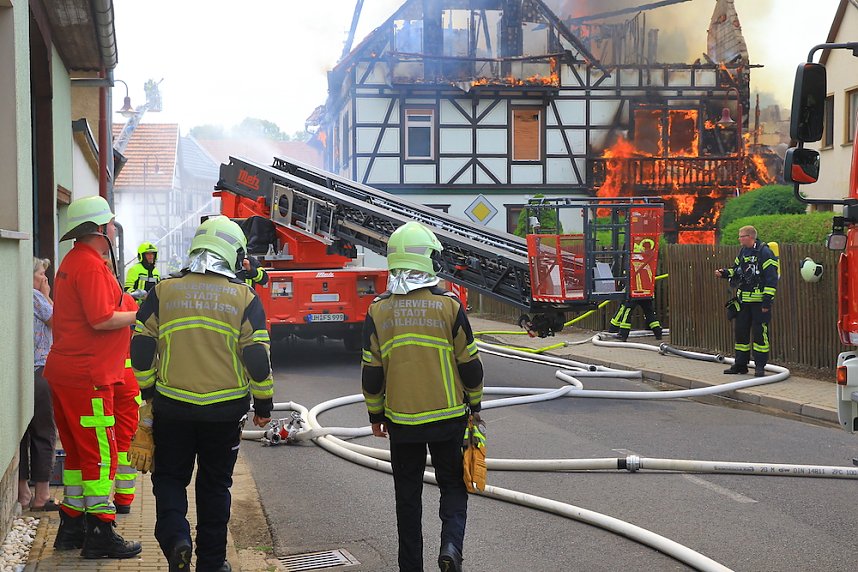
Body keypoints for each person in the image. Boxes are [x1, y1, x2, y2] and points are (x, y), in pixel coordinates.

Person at [130, 215, 274, 572]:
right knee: (215, 485)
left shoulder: (163, 290)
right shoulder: (244, 296)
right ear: (231, 252)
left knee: (169, 479)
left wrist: (148, 389)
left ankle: (177, 538)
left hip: (172, 407)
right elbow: (256, 356)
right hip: (224, 412)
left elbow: (141, 345)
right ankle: (212, 562)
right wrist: (264, 404)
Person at [361, 221, 483, 572]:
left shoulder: (378, 310)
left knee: (407, 499)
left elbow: (372, 371)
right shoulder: (449, 305)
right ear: (427, 259)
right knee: (453, 487)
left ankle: (410, 567)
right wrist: (474, 405)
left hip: (402, 422)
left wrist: (375, 414)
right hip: (448, 418)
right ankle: (450, 549)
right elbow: (470, 365)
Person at [42, 195, 141, 558]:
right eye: (110, 223)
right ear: (100, 229)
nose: (114, 227)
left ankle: (72, 526)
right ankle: (100, 530)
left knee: (77, 457)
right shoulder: (90, 266)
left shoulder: (73, 261)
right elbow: (101, 319)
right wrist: (139, 314)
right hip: (89, 376)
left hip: (67, 372)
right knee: (101, 455)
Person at [19, 257, 59, 512]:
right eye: (41, 274)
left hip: (23, 372)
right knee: (44, 432)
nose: (45, 279)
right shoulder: (35, 296)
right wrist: (46, 294)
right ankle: (42, 495)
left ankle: (23, 492)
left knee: (22, 434)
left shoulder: (21, 295)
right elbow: (60, 322)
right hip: (40, 370)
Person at [715, 225, 779, 376]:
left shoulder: (765, 252)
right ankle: (740, 365)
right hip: (743, 302)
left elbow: (771, 279)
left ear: (750, 237)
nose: (739, 239)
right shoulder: (743, 252)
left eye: (741, 236)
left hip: (759, 304)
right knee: (741, 333)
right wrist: (724, 273)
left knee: (759, 334)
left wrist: (766, 301)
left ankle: (760, 367)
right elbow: (737, 271)